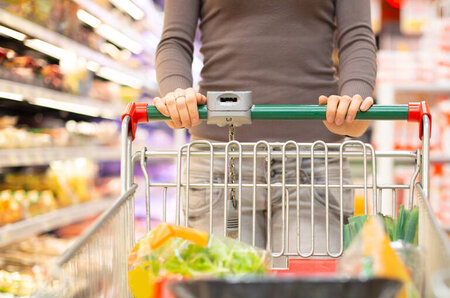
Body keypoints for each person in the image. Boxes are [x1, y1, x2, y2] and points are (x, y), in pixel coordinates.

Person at [153, 0, 377, 260]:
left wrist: (354, 98)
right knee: (227, 296)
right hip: (220, 164)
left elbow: (357, 36)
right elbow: (175, 40)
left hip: (314, 161)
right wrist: (176, 92)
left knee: (309, 294)